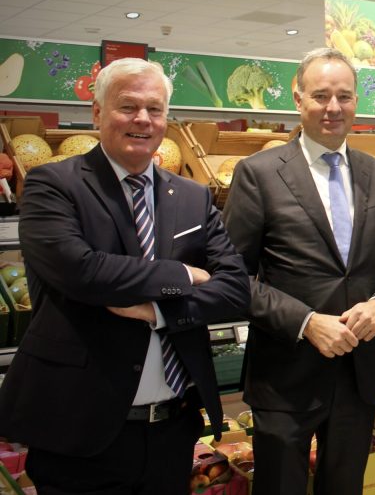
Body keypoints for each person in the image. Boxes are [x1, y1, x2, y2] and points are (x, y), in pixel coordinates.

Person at [0, 58, 250, 494]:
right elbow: (82, 270)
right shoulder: (52, 184)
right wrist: (183, 274)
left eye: (155, 109)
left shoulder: (192, 196)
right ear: (98, 113)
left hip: (172, 430)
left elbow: (235, 290)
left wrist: (158, 312)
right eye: (128, 106)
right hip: (78, 429)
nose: (143, 119)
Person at [223, 48, 375, 495]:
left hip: (359, 373)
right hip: (285, 375)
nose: (333, 107)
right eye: (321, 95)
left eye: (344, 96)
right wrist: (306, 322)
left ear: (356, 102)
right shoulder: (258, 174)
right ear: (298, 99)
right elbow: (231, 277)